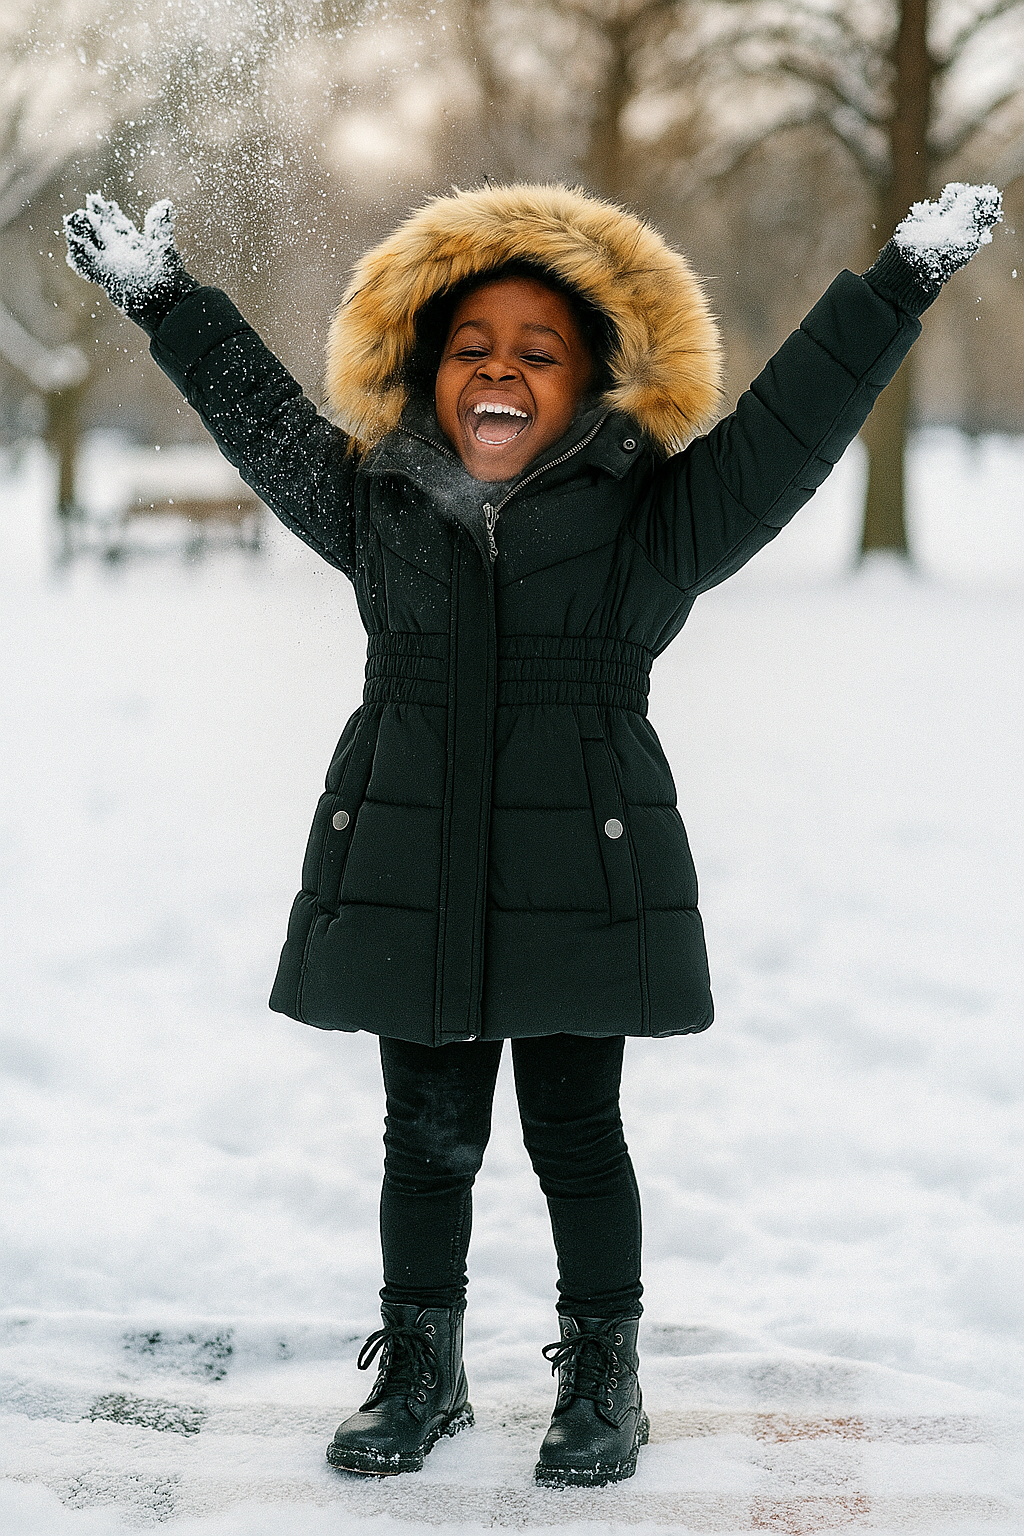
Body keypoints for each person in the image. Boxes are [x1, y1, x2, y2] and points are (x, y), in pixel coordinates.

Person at [64, 178, 1000, 1486]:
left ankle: (603, 1376)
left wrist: (899, 282)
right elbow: (263, 423)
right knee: (425, 1139)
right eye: (472, 349)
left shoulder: (654, 523)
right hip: (410, 854)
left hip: (581, 862)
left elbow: (794, 428)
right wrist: (168, 301)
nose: (500, 370)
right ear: (424, 372)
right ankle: (422, 1369)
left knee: (575, 1134)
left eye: (537, 354)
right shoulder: (378, 503)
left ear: (595, 384)